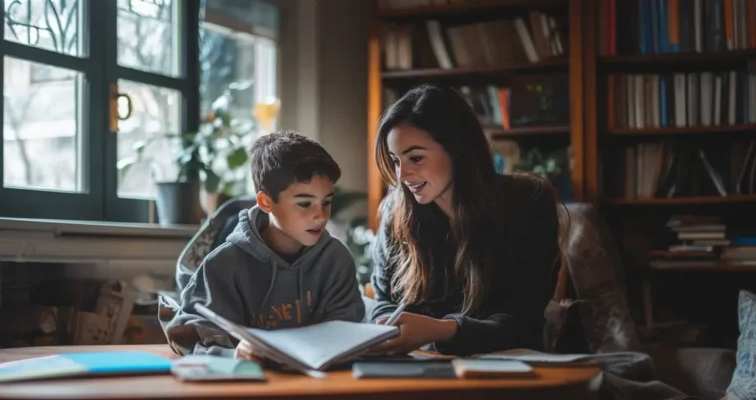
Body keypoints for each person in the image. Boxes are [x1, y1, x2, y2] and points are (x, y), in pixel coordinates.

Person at [368, 84, 564, 356]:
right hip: (419, 366)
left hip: (506, 370)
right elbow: (384, 300)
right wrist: (388, 327)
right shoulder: (395, 211)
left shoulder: (526, 204)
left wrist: (441, 330)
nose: (402, 176)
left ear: (457, 150)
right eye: (395, 161)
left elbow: (523, 325)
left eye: (415, 158)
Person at [161, 130, 366, 360]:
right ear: (266, 202)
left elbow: (349, 333)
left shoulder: (336, 259)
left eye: (326, 202)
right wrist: (232, 354)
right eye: (305, 203)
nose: (320, 216)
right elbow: (188, 336)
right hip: (246, 386)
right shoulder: (223, 265)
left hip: (318, 386)